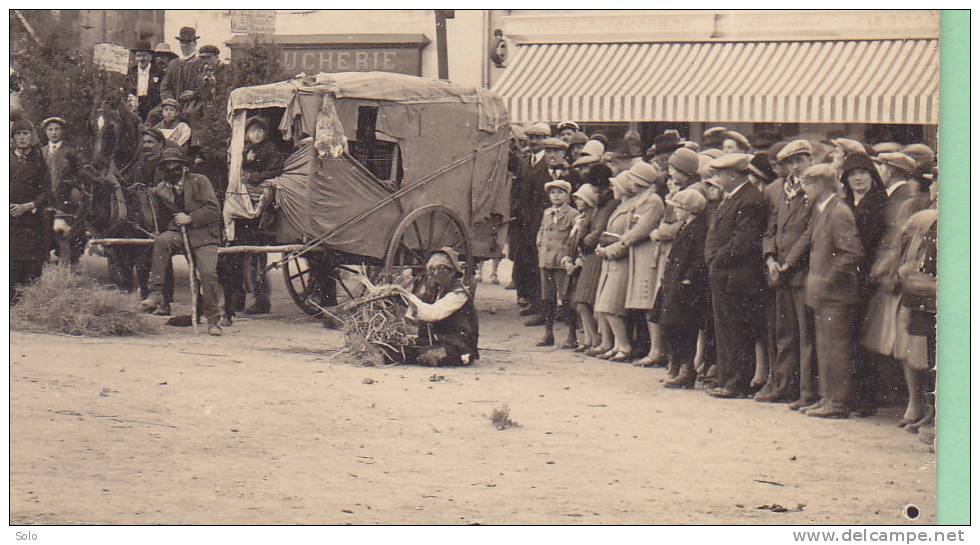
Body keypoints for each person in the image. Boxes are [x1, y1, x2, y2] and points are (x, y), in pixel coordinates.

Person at [861, 152, 930, 426]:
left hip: (905, 279)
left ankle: (913, 403)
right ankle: (911, 402)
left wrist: (887, 269)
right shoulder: (908, 201)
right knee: (903, 343)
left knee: (907, 342)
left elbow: (898, 241)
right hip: (900, 275)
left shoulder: (908, 202)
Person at [798, 164, 864, 418]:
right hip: (823, 294)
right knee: (825, 347)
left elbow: (852, 252)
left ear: (823, 184)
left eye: (808, 183)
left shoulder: (838, 212)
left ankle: (838, 402)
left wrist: (827, 279)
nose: (805, 189)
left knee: (836, 349)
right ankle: (828, 397)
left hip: (836, 294)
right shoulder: (822, 210)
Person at [703, 153, 767, 398]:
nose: (717, 179)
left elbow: (743, 241)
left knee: (736, 329)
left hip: (736, 275)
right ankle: (728, 378)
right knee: (726, 329)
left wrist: (716, 260)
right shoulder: (736, 197)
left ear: (732, 175)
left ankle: (736, 381)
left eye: (720, 174)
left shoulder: (749, 200)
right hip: (725, 274)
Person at [140, 148, 224, 336]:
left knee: (208, 274)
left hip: (204, 235)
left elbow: (213, 210)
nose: (171, 170)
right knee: (162, 241)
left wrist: (190, 217)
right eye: (167, 166)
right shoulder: (162, 188)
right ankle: (155, 293)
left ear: (185, 167)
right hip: (179, 233)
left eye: (175, 166)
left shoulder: (200, 181)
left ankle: (213, 321)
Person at [757, 139, 816, 406]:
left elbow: (809, 232)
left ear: (809, 160)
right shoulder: (781, 191)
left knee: (805, 335)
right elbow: (770, 229)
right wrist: (770, 257)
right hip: (780, 271)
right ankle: (782, 384)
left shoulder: (816, 189)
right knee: (784, 332)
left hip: (801, 271)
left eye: (800, 160)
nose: (795, 166)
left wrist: (789, 262)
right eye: (790, 162)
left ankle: (804, 390)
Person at [840, 153, 888, 416]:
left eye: (862, 172)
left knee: (864, 338)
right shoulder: (843, 202)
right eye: (852, 174)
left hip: (868, 277)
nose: (857, 178)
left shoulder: (881, 203)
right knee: (847, 337)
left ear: (871, 175)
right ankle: (849, 394)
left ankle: (867, 398)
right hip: (845, 277)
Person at [652, 188, 709, 388]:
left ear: (690, 209)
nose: (676, 211)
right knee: (670, 325)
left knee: (684, 327)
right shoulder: (685, 226)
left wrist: (688, 279)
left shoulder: (699, 228)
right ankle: (675, 365)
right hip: (674, 282)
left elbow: (701, 257)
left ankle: (686, 369)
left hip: (686, 286)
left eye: (679, 208)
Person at [895, 173, 937, 434]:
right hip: (918, 289)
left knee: (931, 354)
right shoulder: (926, 211)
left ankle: (932, 412)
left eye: (936, 181)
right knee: (917, 349)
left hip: (929, 290)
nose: (933, 186)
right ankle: (924, 407)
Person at [391, 248, 479, 367]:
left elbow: (433, 314)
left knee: (427, 355)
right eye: (432, 269)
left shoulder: (459, 293)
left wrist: (407, 296)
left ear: (452, 272)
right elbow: (414, 315)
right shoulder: (435, 290)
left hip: (458, 344)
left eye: (440, 269)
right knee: (397, 348)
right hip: (438, 339)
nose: (435, 273)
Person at [235, 116, 284, 315]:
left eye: (260, 131)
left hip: (264, 196)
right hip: (247, 193)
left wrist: (257, 176)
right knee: (247, 255)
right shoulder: (245, 149)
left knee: (256, 254)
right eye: (253, 130)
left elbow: (275, 169)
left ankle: (260, 298)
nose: (257, 134)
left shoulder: (270, 149)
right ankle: (245, 297)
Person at [522, 137, 569, 326]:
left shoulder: (570, 174)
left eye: (556, 152)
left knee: (565, 271)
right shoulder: (536, 174)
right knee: (540, 268)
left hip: (565, 229)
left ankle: (566, 312)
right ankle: (541, 310)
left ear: (563, 154)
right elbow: (526, 200)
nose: (551, 155)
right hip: (541, 227)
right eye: (548, 151)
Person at [570, 166, 617, 353]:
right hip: (590, 256)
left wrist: (583, 242)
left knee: (583, 301)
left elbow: (597, 232)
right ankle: (591, 339)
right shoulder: (599, 206)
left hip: (594, 256)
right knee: (582, 301)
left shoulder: (608, 205)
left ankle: (595, 340)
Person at [592, 171, 637, 360]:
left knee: (612, 305)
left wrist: (609, 250)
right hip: (610, 260)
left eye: (616, 186)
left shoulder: (631, 208)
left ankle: (624, 345)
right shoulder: (621, 206)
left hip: (620, 261)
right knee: (604, 305)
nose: (612, 189)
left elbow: (628, 236)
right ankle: (618, 344)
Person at [10, 117, 51, 303]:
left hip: (32, 221)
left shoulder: (39, 162)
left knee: (31, 264)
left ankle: (29, 303)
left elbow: (47, 192)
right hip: (9, 220)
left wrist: (27, 206)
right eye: (18, 134)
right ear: (12, 138)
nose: (22, 138)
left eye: (25, 133)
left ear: (31, 136)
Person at [535, 179, 578, 347]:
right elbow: (541, 232)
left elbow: (574, 238)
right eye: (553, 193)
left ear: (567, 195)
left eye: (560, 192)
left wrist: (568, 257)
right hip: (545, 261)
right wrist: (539, 244)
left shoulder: (573, 214)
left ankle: (571, 335)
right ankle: (548, 333)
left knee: (566, 298)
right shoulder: (547, 213)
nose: (556, 196)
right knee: (547, 299)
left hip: (561, 262)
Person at [159, 27, 202, 118]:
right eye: (182, 43)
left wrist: (194, 93)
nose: (184, 46)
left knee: (189, 114)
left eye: (188, 43)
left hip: (193, 102)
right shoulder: (174, 63)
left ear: (195, 43)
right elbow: (165, 86)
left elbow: (205, 86)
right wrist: (169, 100)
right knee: (154, 114)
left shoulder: (200, 62)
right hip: (173, 102)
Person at [127, 40, 163, 122]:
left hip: (152, 107)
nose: (141, 59)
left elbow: (161, 93)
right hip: (134, 106)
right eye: (138, 56)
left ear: (150, 57)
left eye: (144, 55)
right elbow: (127, 88)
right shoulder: (130, 72)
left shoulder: (158, 72)